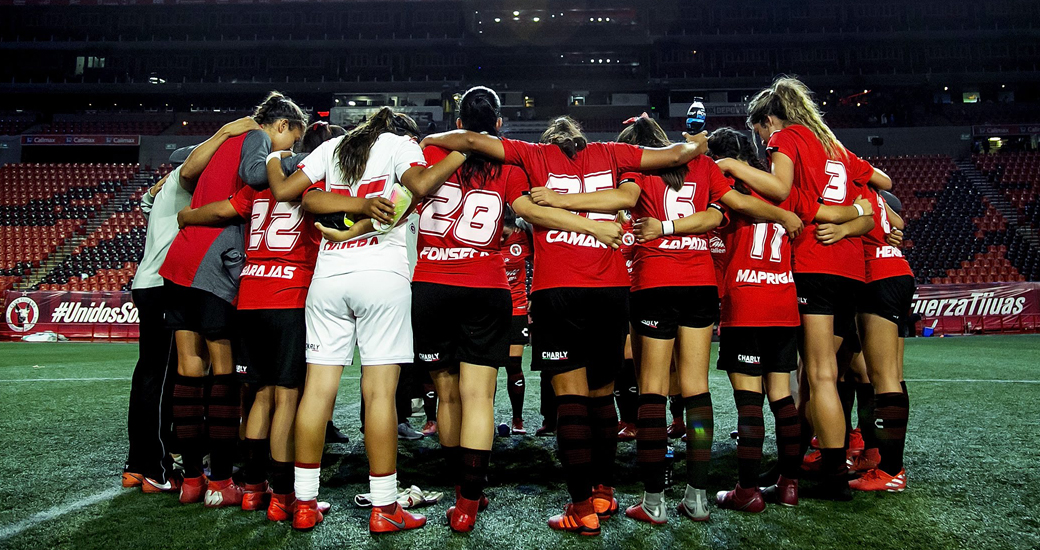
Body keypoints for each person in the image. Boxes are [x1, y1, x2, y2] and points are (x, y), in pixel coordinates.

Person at [423, 115, 708, 535]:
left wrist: (430, 138)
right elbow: (677, 157)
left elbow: (470, 139)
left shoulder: (533, 155)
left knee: (569, 399)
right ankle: (605, 492)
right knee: (602, 397)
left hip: (557, 290)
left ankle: (581, 508)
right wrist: (697, 140)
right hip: (611, 289)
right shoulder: (613, 153)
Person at [531, 116, 799, 524]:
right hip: (700, 283)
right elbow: (722, 214)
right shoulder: (703, 166)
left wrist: (560, 201)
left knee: (652, 392)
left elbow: (619, 207)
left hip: (653, 281)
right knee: (696, 390)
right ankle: (698, 498)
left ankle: (653, 501)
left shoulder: (635, 170)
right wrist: (782, 217)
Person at [274, 107, 467, 533]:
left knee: (317, 390)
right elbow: (417, 185)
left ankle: (304, 502)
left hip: (328, 277)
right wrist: (460, 153)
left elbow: (301, 196)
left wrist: (354, 206)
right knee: (380, 393)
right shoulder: (401, 146)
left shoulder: (332, 147)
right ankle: (384, 507)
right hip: (382, 274)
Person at [173, 120, 341, 521]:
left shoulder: (261, 182)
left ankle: (251, 489)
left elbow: (224, 210)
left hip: (249, 297)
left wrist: (188, 216)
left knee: (259, 396)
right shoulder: (318, 186)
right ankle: (283, 497)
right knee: (286, 397)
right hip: (290, 298)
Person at [702, 128, 872, 512]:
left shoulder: (725, 191)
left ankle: (746, 491)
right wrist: (859, 212)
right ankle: (789, 483)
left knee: (748, 401)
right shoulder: (782, 189)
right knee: (782, 397)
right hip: (783, 302)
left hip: (746, 301)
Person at [159, 92, 308, 508]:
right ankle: (222, 479)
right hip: (217, 262)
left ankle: (191, 479)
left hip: (182, 257)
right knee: (225, 375)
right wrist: (285, 161)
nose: (290, 148)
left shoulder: (222, 139)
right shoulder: (259, 141)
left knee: (189, 368)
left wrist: (188, 214)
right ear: (281, 126)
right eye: (292, 138)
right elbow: (260, 178)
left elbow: (185, 167)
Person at [744, 77, 890, 499]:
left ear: (769, 120)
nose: (763, 140)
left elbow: (784, 193)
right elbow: (881, 185)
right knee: (819, 375)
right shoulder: (835, 147)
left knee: (820, 375)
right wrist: (853, 213)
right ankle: (796, 463)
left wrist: (737, 168)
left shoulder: (787, 138)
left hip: (813, 265)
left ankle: (832, 478)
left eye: (760, 131)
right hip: (850, 271)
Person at [404, 86, 529, 532]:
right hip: (486, 284)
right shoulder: (507, 164)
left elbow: (407, 200)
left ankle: (460, 482)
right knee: (479, 397)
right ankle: (469, 499)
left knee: (449, 393)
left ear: (458, 123)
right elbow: (528, 211)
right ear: (497, 125)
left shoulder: (430, 149)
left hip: (431, 284)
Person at [124, 117, 260, 494]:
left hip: (157, 281)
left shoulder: (168, 187)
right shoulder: (189, 183)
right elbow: (197, 184)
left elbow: (147, 200)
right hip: (171, 282)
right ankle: (157, 467)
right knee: (169, 379)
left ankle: (141, 464)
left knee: (155, 375)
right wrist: (226, 133)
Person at [847, 187, 913, 492]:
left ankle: (890, 469)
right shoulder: (872, 191)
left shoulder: (850, 187)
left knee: (881, 377)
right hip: (899, 270)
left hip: (877, 275)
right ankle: (876, 457)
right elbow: (898, 221)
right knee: (893, 376)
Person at [501, 206, 533, 435]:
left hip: (517, 306)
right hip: (490, 308)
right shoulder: (482, 238)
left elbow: (542, 259)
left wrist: (533, 294)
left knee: (514, 364)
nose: (503, 238)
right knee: (487, 368)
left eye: (506, 234)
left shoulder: (523, 237)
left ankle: (518, 420)